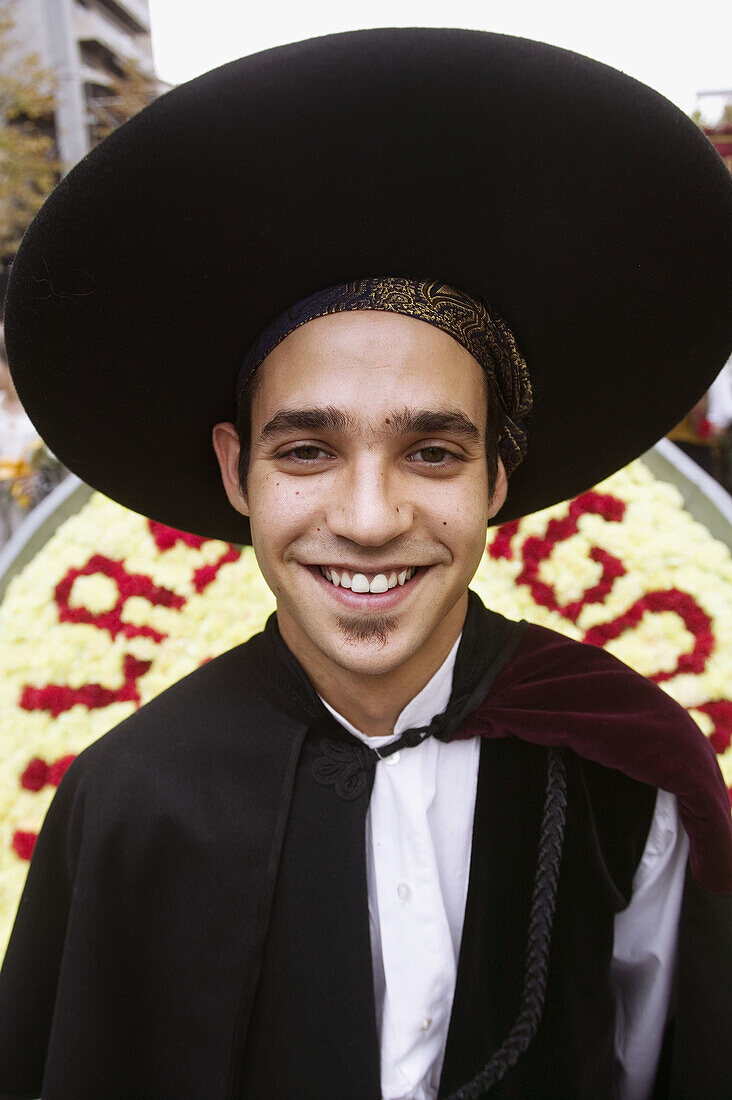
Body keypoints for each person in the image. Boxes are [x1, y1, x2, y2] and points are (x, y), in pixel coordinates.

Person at [0, 28, 731, 1100]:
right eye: (308, 449)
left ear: (495, 479)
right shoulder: (128, 803)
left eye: (432, 450)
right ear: (238, 471)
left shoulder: (629, 776)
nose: (371, 514)